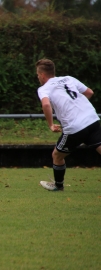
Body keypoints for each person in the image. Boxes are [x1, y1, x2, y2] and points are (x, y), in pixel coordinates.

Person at [36, 59, 101, 191]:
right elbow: (89, 92)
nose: (38, 77)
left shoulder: (44, 88)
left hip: (75, 127)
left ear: (42, 75)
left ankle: (58, 186)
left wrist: (50, 124)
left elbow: (46, 104)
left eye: (38, 75)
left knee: (57, 155)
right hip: (92, 119)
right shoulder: (68, 79)